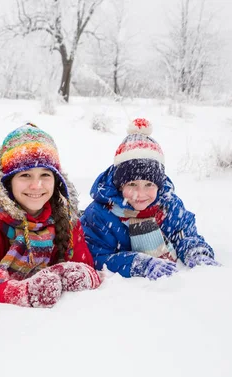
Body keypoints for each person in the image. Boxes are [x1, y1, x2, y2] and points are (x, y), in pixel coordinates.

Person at [0, 123, 101, 312]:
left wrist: (73, 274)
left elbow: (86, 266)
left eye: (45, 174)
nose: (37, 185)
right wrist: (24, 292)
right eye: (25, 175)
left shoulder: (65, 212)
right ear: (8, 182)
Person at [80, 118, 220, 280]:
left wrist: (195, 251)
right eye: (132, 184)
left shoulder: (168, 205)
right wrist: (138, 263)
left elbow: (184, 235)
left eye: (149, 184)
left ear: (159, 185)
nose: (140, 194)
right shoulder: (100, 214)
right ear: (119, 185)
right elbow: (96, 256)